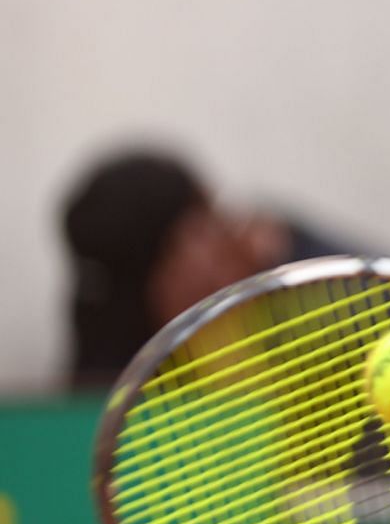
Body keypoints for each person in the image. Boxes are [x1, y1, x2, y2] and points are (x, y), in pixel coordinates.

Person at [60, 146, 339, 386]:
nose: (229, 230)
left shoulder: (290, 267)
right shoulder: (115, 369)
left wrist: (294, 244)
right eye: (205, 220)